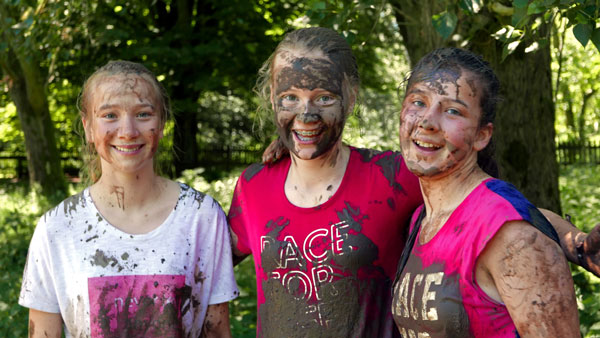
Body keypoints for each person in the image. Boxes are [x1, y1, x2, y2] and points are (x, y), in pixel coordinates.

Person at [229, 27, 597, 337]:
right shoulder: (254, 184)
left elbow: (500, 216)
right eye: (290, 99)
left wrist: (576, 244)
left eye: (323, 98)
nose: (306, 114)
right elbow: (208, 253)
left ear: (350, 98)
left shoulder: (395, 176)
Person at [19, 61, 238, 337]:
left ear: (161, 123)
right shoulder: (57, 228)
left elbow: (216, 331)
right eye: (110, 115)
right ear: (88, 127)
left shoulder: (201, 216)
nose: (128, 131)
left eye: (143, 114)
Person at [391, 47, 579, 337]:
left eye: (453, 110)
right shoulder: (422, 218)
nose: (427, 122)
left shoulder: (513, 236)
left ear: (482, 135)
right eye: (418, 102)